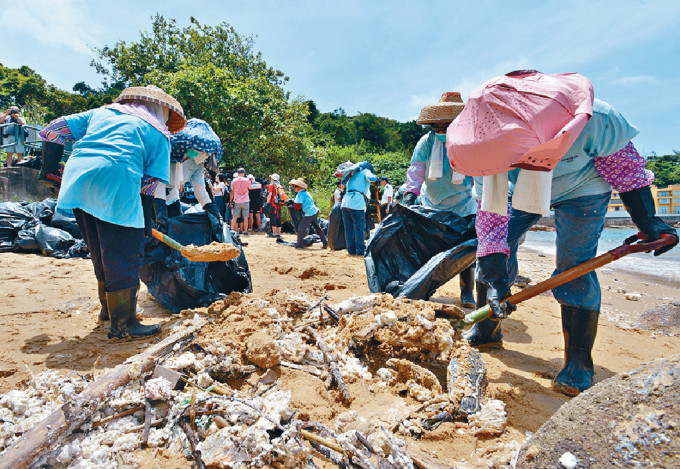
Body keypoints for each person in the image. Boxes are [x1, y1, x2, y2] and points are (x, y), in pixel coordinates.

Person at [446, 70, 679, 396]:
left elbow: (626, 172)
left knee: (574, 265)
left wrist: (647, 221)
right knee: (492, 257)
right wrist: (498, 278)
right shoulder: (482, 146)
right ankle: (487, 328)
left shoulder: (594, 118)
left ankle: (578, 363)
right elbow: (492, 225)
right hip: (516, 191)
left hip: (582, 186)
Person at [39, 85, 187, 338]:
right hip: (117, 179)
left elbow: (54, 129)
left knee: (99, 248)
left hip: (79, 178)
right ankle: (124, 324)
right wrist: (145, 223)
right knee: (124, 252)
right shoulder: (159, 133)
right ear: (163, 111)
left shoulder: (101, 113)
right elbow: (150, 185)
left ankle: (108, 311)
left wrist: (49, 168)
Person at [402, 92, 478, 308]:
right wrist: (409, 197)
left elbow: (479, 175)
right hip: (431, 203)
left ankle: (466, 293)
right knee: (428, 248)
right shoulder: (426, 143)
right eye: (437, 126)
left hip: (462, 204)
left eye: (446, 126)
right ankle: (424, 287)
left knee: (465, 251)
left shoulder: (469, 143)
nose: (441, 131)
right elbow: (416, 170)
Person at [153, 118, 223, 235]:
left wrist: (212, 209)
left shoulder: (197, 165)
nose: (205, 155)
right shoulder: (168, 156)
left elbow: (200, 191)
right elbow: (159, 184)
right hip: (155, 198)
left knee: (175, 232)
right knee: (156, 233)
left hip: (173, 198)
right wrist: (160, 211)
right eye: (204, 152)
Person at [340, 161, 378, 256]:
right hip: (356, 202)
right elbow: (372, 178)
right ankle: (361, 251)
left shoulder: (353, 173)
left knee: (348, 228)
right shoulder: (365, 171)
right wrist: (377, 177)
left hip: (345, 202)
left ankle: (351, 250)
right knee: (359, 228)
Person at [289, 178, 328, 249]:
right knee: (317, 228)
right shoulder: (307, 193)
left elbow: (298, 206)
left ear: (299, 187)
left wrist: (292, 206)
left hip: (309, 213)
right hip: (315, 211)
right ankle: (325, 243)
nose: (294, 188)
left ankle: (299, 245)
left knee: (301, 228)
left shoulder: (300, 194)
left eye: (295, 186)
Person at [230, 168, 252, 235]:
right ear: (244, 173)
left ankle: (232, 231)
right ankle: (245, 231)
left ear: (237, 173)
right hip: (245, 200)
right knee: (245, 217)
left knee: (234, 217)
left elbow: (232, 191)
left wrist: (230, 201)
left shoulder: (234, 181)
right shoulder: (247, 180)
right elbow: (250, 188)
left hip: (237, 201)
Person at [266, 173, 287, 237]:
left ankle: (274, 233)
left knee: (273, 218)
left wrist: (267, 202)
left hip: (273, 204)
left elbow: (270, 195)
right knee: (278, 218)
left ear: (272, 179)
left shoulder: (271, 185)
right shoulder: (280, 186)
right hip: (279, 204)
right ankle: (278, 234)